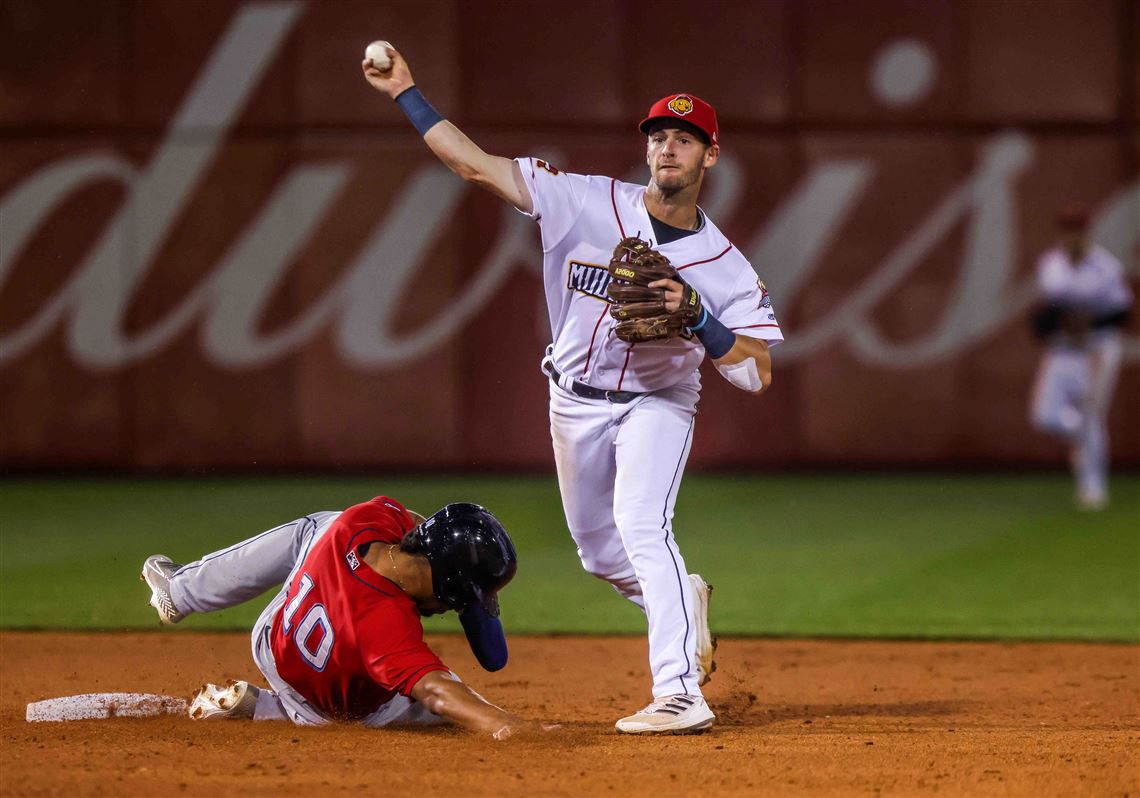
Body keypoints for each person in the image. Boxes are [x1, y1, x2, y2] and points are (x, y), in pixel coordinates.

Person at [362, 46, 783, 735]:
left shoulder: (724, 264)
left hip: (659, 404)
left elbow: (756, 370)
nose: (667, 147)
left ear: (710, 157)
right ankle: (683, 600)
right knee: (598, 553)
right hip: (573, 400)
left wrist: (700, 319)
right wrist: (406, 92)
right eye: (658, 136)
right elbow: (473, 164)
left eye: (684, 138)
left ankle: (680, 693)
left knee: (645, 528)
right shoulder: (583, 200)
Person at [141, 496, 538, 738]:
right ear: (447, 584)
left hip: (273, 638)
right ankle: (269, 711)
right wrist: (507, 725)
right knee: (446, 696)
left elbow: (412, 519)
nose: (452, 609)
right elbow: (436, 692)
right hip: (330, 706)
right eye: (458, 601)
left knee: (318, 526)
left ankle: (179, 591)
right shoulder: (386, 629)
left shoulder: (364, 520)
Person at [1029, 206, 1133, 510]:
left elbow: (1121, 314)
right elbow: (1045, 311)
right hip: (1061, 350)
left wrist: (1089, 322)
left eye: (1077, 229)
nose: (1072, 236)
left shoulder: (1105, 267)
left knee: (1092, 417)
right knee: (1045, 416)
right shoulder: (1051, 264)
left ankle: (1093, 488)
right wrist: (1054, 325)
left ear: (1087, 233)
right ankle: (1081, 438)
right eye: (1067, 229)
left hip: (1096, 351)